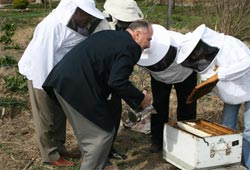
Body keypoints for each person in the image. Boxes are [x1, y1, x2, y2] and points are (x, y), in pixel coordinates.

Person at [42, 20, 153, 170]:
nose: (149, 45)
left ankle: (97, 164)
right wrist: (141, 99)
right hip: (77, 87)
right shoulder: (131, 46)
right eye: (148, 39)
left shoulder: (109, 35)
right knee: (101, 136)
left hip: (61, 81)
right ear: (138, 34)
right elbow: (117, 81)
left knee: (91, 136)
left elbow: (107, 73)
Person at [18, 0, 110, 166]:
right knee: (46, 117)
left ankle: (60, 147)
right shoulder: (52, 26)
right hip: (41, 74)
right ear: (74, 11)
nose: (88, 17)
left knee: (60, 113)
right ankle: (50, 155)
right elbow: (42, 57)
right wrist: (44, 88)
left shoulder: (78, 23)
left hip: (58, 75)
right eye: (85, 13)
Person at [176, 24, 250, 169]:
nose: (196, 57)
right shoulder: (206, 60)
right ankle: (227, 160)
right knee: (227, 128)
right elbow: (210, 81)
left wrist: (220, 74)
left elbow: (247, 63)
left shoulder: (229, 44)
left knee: (249, 131)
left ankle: (248, 164)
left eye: (195, 53)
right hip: (232, 95)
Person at [137, 24, 197, 153]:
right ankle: (157, 141)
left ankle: (186, 141)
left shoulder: (181, 43)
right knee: (158, 107)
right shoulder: (141, 51)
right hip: (159, 78)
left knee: (187, 106)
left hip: (185, 74)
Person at [102, 0, 144, 160]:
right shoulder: (101, 24)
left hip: (115, 76)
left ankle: (110, 148)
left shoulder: (123, 28)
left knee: (115, 112)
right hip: (100, 77)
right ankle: (101, 155)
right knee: (101, 118)